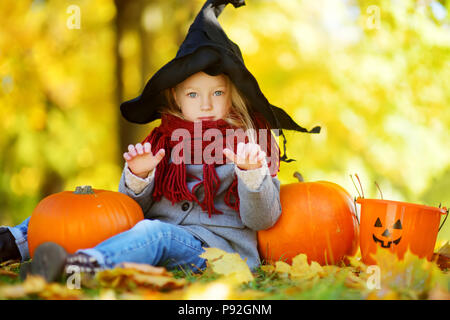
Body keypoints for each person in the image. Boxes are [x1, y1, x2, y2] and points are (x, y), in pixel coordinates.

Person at [0, 0, 320, 282]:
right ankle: (14, 242)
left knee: (155, 234)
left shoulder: (249, 145)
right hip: (149, 231)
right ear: (177, 98)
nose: (205, 104)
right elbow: (129, 211)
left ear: (233, 96)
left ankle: (85, 266)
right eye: (194, 94)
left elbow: (262, 219)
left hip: (216, 253)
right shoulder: (163, 141)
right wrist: (139, 179)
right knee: (84, 207)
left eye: (217, 93)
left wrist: (253, 174)